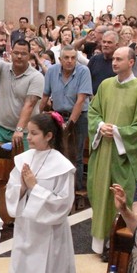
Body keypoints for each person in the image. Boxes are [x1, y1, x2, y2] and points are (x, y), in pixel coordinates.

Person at [1, 113, 79, 273]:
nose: (29, 137)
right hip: (27, 228)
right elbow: (12, 191)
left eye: (34, 133)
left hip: (50, 232)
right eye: (28, 132)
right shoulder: (23, 159)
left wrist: (35, 188)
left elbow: (63, 204)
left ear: (49, 136)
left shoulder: (62, 167)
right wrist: (23, 188)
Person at [87, 47, 137, 254]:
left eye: (119, 59)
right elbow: (93, 111)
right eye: (113, 59)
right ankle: (100, 243)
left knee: (121, 195)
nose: (114, 62)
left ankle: (117, 244)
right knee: (101, 194)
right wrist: (100, 126)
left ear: (131, 62)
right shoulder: (106, 85)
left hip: (123, 154)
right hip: (103, 152)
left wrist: (117, 132)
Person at [40, 45, 93, 190]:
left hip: (78, 118)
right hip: (57, 116)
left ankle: (75, 191)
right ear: (60, 59)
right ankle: (57, 189)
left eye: (73, 58)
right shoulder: (52, 71)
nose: (70, 61)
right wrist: (38, 117)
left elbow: (80, 100)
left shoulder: (83, 71)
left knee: (76, 155)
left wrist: (69, 125)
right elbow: (45, 96)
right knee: (57, 153)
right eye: (66, 58)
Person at [0, 37, 44, 151]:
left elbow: (29, 105)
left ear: (29, 55)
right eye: (16, 53)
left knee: (23, 164)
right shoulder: (3, 68)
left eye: (23, 54)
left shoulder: (37, 77)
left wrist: (19, 130)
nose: (19, 56)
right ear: (11, 53)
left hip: (25, 132)